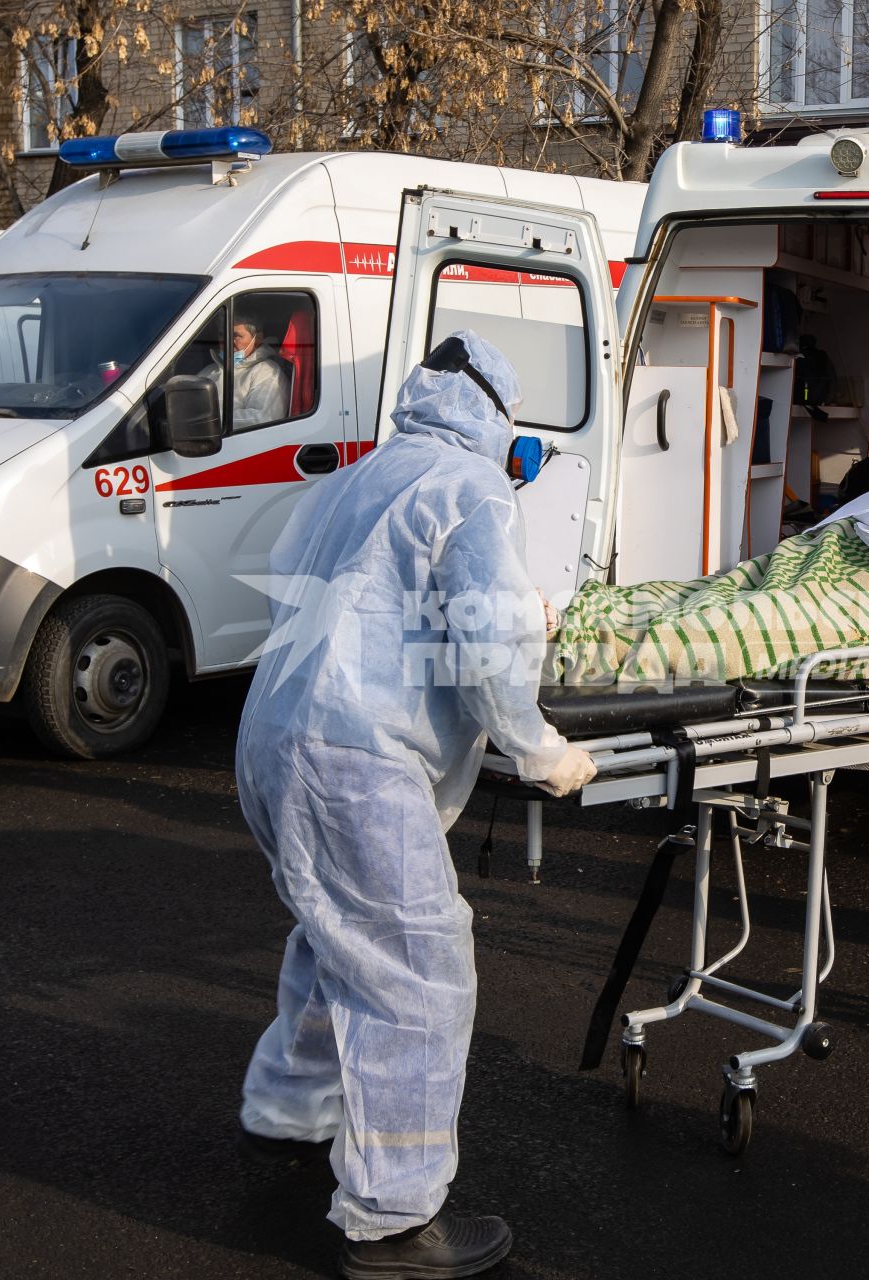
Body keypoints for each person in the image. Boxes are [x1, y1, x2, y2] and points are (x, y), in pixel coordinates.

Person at [233, 330, 596, 1277]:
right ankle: (393, 1218)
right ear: (496, 419)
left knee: (334, 931)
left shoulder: (354, 480)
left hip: (271, 738)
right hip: (355, 756)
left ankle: (287, 1106)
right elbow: (488, 643)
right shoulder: (470, 490)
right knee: (418, 973)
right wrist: (540, 746)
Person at [210, 316, 293, 427]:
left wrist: (206, 421)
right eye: (222, 334)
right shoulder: (210, 370)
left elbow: (261, 418)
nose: (227, 341)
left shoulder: (267, 372)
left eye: (236, 336)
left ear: (257, 339)